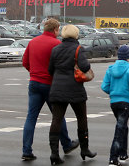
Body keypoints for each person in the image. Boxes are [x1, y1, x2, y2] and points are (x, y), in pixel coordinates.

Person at [21, 19, 79, 161]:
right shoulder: (56, 44)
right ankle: (66, 144)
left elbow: (25, 62)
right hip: (50, 84)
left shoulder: (32, 42)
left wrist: (33, 72)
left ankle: (26, 151)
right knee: (57, 116)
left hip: (34, 83)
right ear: (55, 30)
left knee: (31, 117)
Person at [48, 25, 97, 164]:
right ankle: (84, 149)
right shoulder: (78, 49)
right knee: (81, 118)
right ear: (76, 35)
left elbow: (50, 69)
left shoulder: (55, 49)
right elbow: (85, 67)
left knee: (56, 120)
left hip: (57, 88)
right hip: (75, 89)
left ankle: (54, 154)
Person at [101, 45, 129, 166]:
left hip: (114, 102)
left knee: (123, 126)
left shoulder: (110, 69)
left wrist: (113, 93)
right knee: (120, 129)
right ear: (128, 56)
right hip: (126, 102)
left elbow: (104, 86)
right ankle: (113, 157)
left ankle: (123, 153)